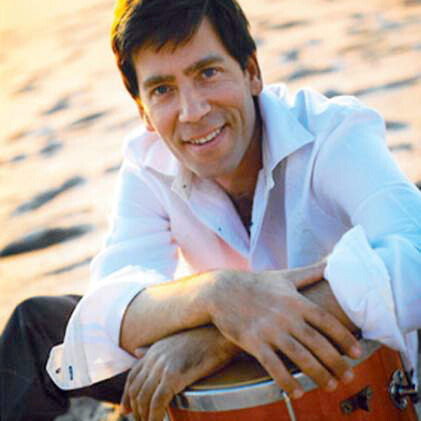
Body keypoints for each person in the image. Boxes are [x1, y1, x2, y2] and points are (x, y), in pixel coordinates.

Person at [1, 0, 420, 420]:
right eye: (162, 89)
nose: (193, 111)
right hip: (235, 378)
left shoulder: (331, 131)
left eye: (207, 73)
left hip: (348, 367)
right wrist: (215, 294)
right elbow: (108, 307)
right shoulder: (148, 164)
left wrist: (225, 337)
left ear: (252, 72)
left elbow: (415, 254)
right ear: (143, 111)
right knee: (35, 326)